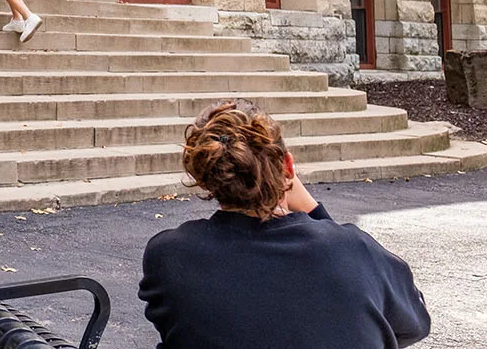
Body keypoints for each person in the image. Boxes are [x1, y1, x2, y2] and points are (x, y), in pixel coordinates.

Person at [139, 101, 431, 349]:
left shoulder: (170, 255)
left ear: (206, 180)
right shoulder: (354, 250)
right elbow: (415, 323)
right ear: (288, 167)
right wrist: (316, 211)